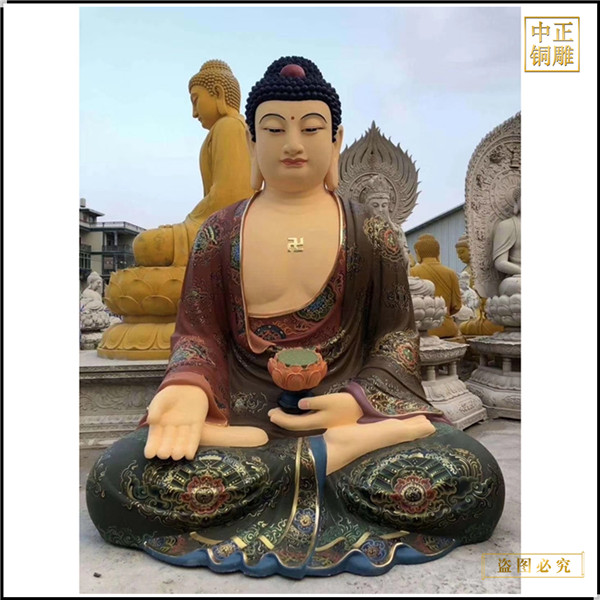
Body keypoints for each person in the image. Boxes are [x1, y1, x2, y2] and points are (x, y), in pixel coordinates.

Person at [87, 57, 504, 578]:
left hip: (345, 419)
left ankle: (336, 451)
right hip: (246, 424)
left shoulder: (371, 233)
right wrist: (188, 388)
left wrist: (357, 404)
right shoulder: (219, 234)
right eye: (274, 129)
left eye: (310, 129)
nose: (292, 144)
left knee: (474, 475)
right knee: (114, 480)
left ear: (336, 140)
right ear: (251, 142)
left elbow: (394, 339)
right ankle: (327, 460)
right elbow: (200, 336)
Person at [133, 60, 254, 267]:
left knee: (146, 245)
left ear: (218, 93)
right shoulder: (225, 129)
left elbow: (230, 196)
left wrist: (187, 224)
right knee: (148, 243)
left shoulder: (230, 127)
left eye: (196, 100)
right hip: (222, 225)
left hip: (233, 230)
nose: (194, 113)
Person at [411, 234, 463, 338]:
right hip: (448, 327)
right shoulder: (450, 273)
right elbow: (457, 306)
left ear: (418, 253)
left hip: (421, 329)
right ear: (438, 253)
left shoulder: (412, 272)